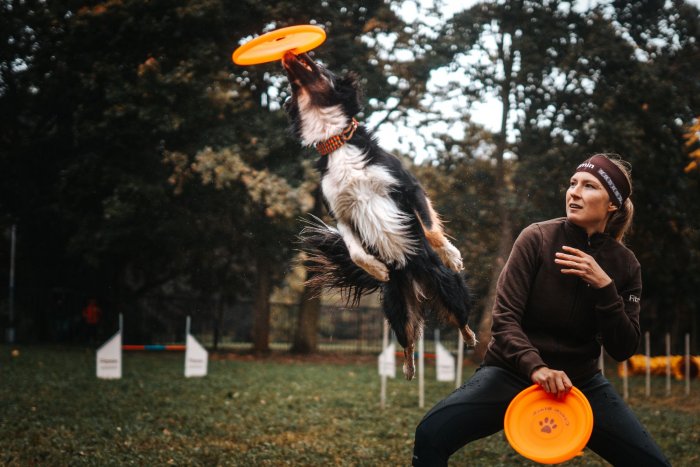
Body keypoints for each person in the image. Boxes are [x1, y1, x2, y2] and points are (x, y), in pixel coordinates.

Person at [412, 154, 670, 466]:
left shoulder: (625, 265)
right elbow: (504, 320)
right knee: (430, 433)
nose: (574, 192)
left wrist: (605, 287)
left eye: (589, 186)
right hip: (512, 372)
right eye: (573, 183)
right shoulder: (537, 237)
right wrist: (537, 367)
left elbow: (623, 347)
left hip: (581, 383)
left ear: (612, 204)